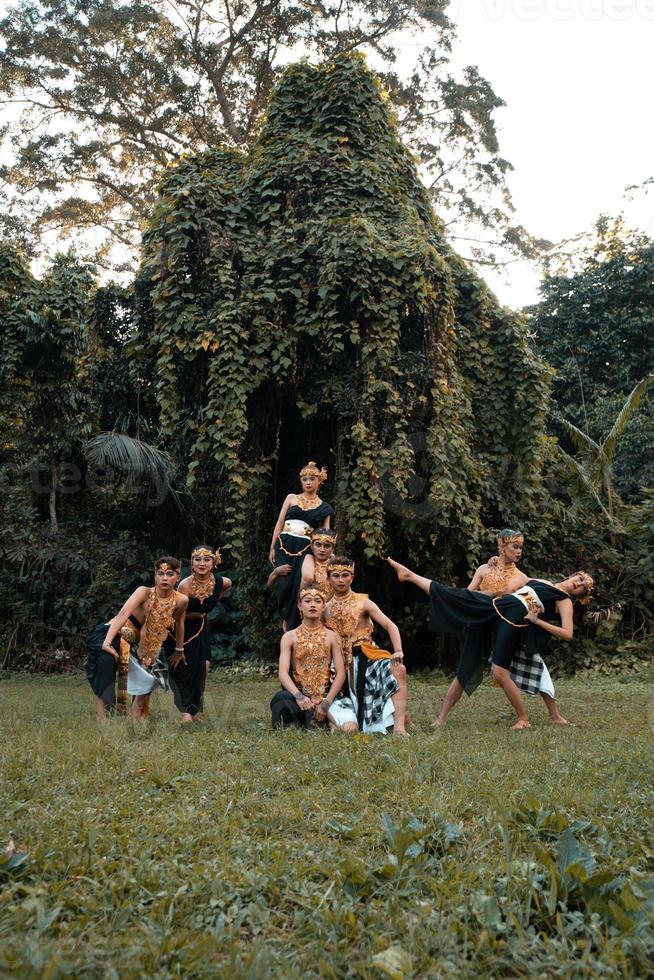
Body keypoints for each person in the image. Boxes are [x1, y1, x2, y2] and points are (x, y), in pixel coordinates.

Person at [387, 557, 593, 730]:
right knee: (460, 604)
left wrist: (538, 621)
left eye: (583, 586)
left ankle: (524, 719)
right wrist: (496, 561)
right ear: (573, 574)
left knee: (499, 672)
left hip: (511, 620)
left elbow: (568, 633)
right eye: (580, 578)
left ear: (580, 594)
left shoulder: (564, 600)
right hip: (497, 606)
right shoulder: (545, 582)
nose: (579, 583)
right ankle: (441, 719)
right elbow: (516, 575)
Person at [324, 557, 409, 735]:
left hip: (368, 654)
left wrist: (398, 650)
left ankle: (400, 727)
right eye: (336, 575)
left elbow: (390, 625)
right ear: (329, 578)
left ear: (352, 577)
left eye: (345, 575)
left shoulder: (364, 602)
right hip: (340, 662)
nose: (340, 580)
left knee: (398, 669)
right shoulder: (324, 608)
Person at [100, 556, 188, 720]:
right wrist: (107, 640)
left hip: (151, 640)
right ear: (155, 575)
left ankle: (138, 716)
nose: (164, 578)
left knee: (154, 674)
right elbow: (123, 614)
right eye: (160, 573)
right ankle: (126, 715)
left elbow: (179, 623)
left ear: (178, 576)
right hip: (122, 634)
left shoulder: (181, 600)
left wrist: (179, 649)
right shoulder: (144, 592)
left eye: (169, 574)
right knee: (145, 677)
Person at [270, 587, 358, 731]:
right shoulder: (289, 637)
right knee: (280, 699)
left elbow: (341, 673)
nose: (312, 605)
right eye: (307, 601)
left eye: (318, 601)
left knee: (351, 729)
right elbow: (283, 673)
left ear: (323, 607)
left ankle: (319, 718)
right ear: (299, 606)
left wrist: (327, 702)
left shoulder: (332, 636)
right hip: (300, 698)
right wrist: (299, 697)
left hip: (327, 697)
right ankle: (309, 720)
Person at [166, 545, 232, 723]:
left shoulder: (221, 582)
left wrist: (206, 606)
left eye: (206, 559)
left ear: (214, 562)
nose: (202, 563)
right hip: (178, 630)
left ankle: (193, 711)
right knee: (183, 669)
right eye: (197, 559)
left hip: (199, 628)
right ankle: (186, 712)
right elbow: (177, 617)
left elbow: (225, 587)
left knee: (203, 667)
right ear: (192, 563)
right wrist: (179, 648)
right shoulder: (185, 585)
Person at [268, 461, 334, 629]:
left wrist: (330, 554)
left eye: (312, 479)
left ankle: (294, 620)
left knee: (304, 581)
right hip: (283, 543)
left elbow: (325, 535)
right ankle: (285, 616)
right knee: (285, 584)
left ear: (319, 481)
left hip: (305, 548)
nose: (308, 482)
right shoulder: (291, 498)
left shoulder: (325, 508)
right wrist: (272, 546)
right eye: (304, 479)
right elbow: (280, 522)